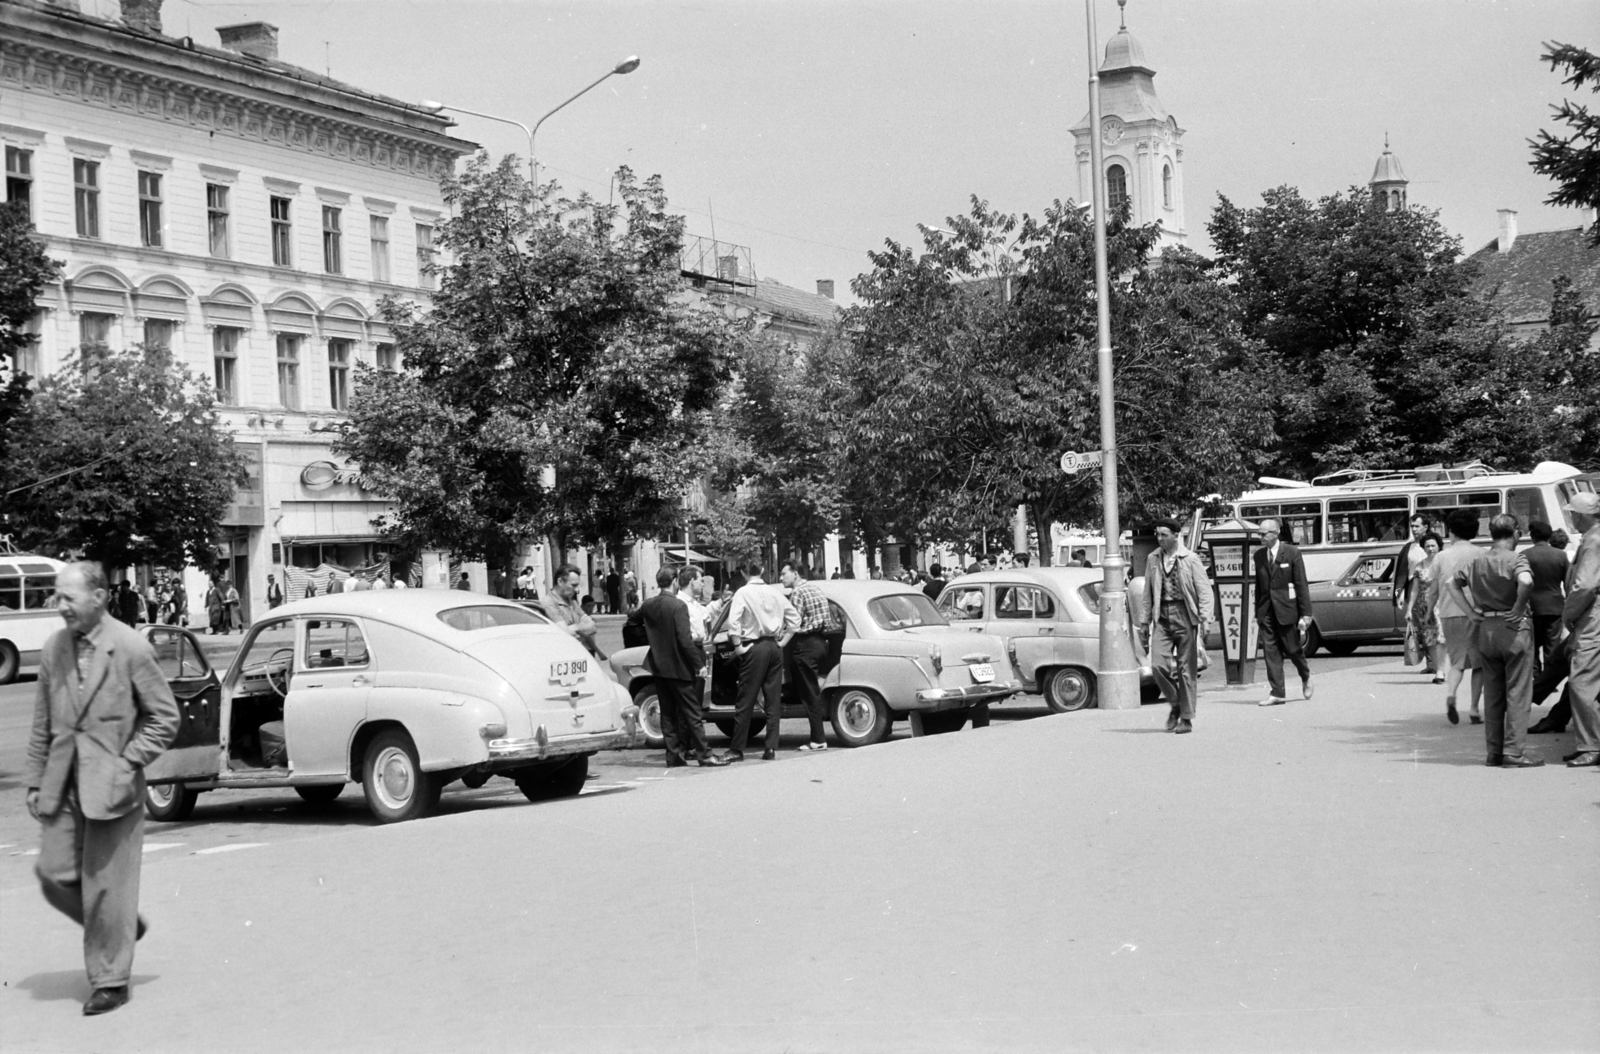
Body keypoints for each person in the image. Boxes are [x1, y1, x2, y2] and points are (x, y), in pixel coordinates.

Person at [25, 561, 181, 1016]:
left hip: (113, 787)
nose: (60, 606)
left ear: (98, 597)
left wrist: (128, 760)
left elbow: (164, 717)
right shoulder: (54, 648)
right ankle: (118, 927)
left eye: (68, 598)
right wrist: (35, 781)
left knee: (105, 887)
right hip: (62, 781)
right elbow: (41, 722)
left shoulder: (130, 647)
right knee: (54, 876)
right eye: (57, 597)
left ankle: (110, 979)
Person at [1445, 514, 1541, 767]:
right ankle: (1514, 751)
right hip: (1514, 628)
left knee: (1494, 694)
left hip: (1486, 627)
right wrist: (1519, 606)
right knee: (1517, 693)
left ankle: (1494, 752)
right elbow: (1526, 580)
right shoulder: (1516, 558)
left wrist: (1470, 612)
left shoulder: (1477, 561)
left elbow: (1450, 583)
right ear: (1516, 533)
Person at [637, 567, 725, 768]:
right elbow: (684, 640)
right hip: (680, 664)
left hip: (660, 665)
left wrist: (655, 642)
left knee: (667, 713)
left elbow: (633, 623)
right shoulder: (678, 606)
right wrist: (698, 665)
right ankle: (704, 754)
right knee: (692, 711)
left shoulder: (648, 604)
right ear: (675, 581)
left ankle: (674, 754)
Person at [1141, 519, 1215, 733]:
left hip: (1185, 614)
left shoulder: (1190, 559)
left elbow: (1204, 591)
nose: (1160, 538)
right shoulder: (1153, 559)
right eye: (1158, 534)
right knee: (1157, 665)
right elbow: (1147, 593)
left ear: (1176, 535)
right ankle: (1175, 702)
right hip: (1161, 616)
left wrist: (1205, 618)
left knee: (1186, 670)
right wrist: (1145, 621)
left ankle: (1186, 718)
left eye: (1164, 534)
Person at [719, 565, 799, 762]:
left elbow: (734, 622)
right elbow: (795, 619)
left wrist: (737, 645)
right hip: (773, 646)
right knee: (773, 700)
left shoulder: (743, 592)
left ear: (745, 573)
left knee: (745, 699)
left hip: (753, 646)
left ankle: (737, 748)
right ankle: (771, 747)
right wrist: (782, 642)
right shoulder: (774, 592)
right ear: (763, 570)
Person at [1432, 509, 1489, 726]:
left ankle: (1452, 693)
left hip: (1448, 613)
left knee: (1456, 662)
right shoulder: (1482, 553)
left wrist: (1429, 611)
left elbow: (1433, 590)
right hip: (1476, 613)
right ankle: (1474, 709)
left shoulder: (1440, 556)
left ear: (1451, 531)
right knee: (1479, 664)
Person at [1253, 517, 1314, 706]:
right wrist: (1258, 612)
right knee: (1270, 652)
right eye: (1259, 534)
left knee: (1293, 649)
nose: (1261, 537)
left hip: (1287, 609)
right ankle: (1277, 692)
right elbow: (1259, 585)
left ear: (1276, 532)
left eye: (1264, 534)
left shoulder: (1292, 553)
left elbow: (1301, 584)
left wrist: (1306, 614)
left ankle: (1305, 676)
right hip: (1267, 611)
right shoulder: (1259, 556)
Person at [1560, 493, 1600, 767]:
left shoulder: (1594, 540)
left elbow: (1584, 586)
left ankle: (1591, 745)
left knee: (1581, 681)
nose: (1570, 517)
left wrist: (1569, 615)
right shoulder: (1592, 538)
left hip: (1592, 619)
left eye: (1572, 513)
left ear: (1582, 515)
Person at [781, 560, 832, 752]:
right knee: (812, 689)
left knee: (810, 692)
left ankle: (818, 738)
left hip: (805, 644)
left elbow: (793, 622)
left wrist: (782, 638)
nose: (781, 577)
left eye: (784, 573)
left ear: (795, 574)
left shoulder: (798, 593)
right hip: (820, 642)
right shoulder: (815, 589)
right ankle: (817, 736)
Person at [1523, 520, 1569, 674]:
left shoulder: (1524, 555)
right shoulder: (1561, 555)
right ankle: (1549, 676)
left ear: (1532, 536)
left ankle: (1535, 672)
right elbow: (1568, 582)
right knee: (1552, 643)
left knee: (1533, 643)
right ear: (1549, 536)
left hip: (1532, 606)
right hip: (1555, 606)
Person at [1392, 514, 1433, 672]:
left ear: (1425, 527)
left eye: (1417, 526)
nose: (1414, 529)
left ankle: (1433, 662)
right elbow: (1402, 571)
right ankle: (1428, 661)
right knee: (1419, 628)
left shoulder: (1431, 546)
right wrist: (1399, 592)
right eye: (1412, 526)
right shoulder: (1408, 547)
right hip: (1413, 592)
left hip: (1430, 591)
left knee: (1430, 626)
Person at [1409, 533, 1445, 684]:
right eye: (1427, 546)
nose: (1430, 549)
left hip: (1442, 604)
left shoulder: (1444, 563)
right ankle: (1438, 670)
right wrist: (1409, 609)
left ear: (1439, 546)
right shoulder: (1419, 566)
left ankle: (1441, 670)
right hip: (1424, 607)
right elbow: (1415, 590)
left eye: (1433, 546)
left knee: (1442, 639)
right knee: (1429, 640)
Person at [548, 563, 604, 660]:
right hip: (560, 658)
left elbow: (592, 627)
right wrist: (581, 626)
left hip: (576, 656)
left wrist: (574, 628)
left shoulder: (573, 603)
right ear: (560, 581)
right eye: (573, 585)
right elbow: (564, 634)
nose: (577, 590)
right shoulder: (549, 603)